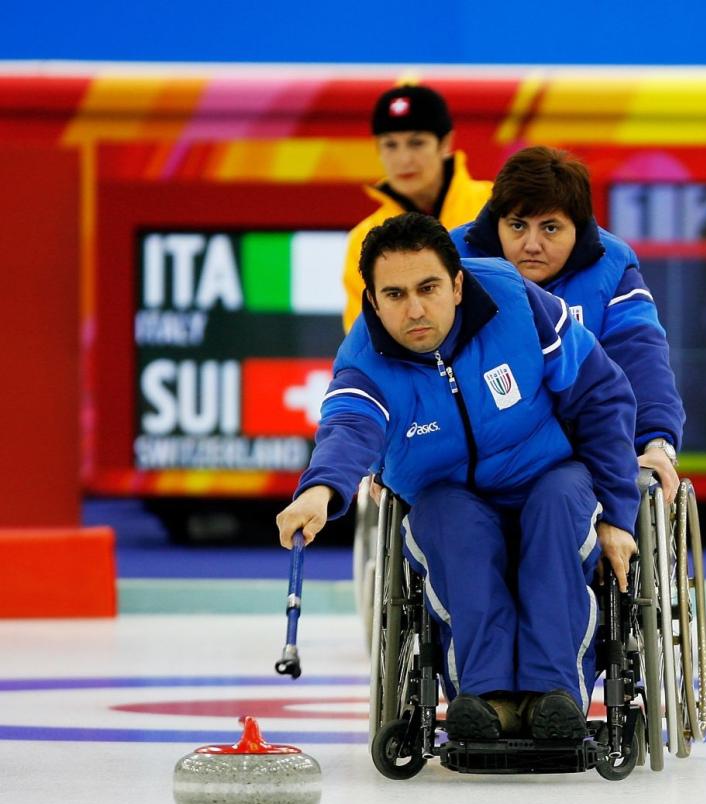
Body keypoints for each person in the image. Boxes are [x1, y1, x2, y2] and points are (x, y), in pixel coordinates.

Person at [278, 213, 640, 742]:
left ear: (457, 283)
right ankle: (487, 696)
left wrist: (619, 515)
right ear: (374, 303)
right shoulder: (364, 360)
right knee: (449, 523)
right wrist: (320, 489)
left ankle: (555, 694)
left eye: (428, 288)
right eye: (395, 295)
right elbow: (349, 426)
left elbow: (601, 394)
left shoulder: (516, 301)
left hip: (546, 473)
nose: (416, 309)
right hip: (448, 490)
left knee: (559, 506)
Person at [451, 146, 685, 503]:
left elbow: (641, 356)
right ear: (496, 222)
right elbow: (400, 358)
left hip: (576, 464)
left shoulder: (613, 267)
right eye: (517, 225)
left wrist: (657, 442)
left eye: (550, 228)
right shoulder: (450, 261)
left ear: (577, 227)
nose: (531, 244)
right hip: (470, 461)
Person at [341, 84, 492, 333]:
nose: (404, 159)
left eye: (417, 143)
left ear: (445, 142)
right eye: (390, 145)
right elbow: (364, 338)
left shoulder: (494, 205)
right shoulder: (363, 239)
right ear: (377, 149)